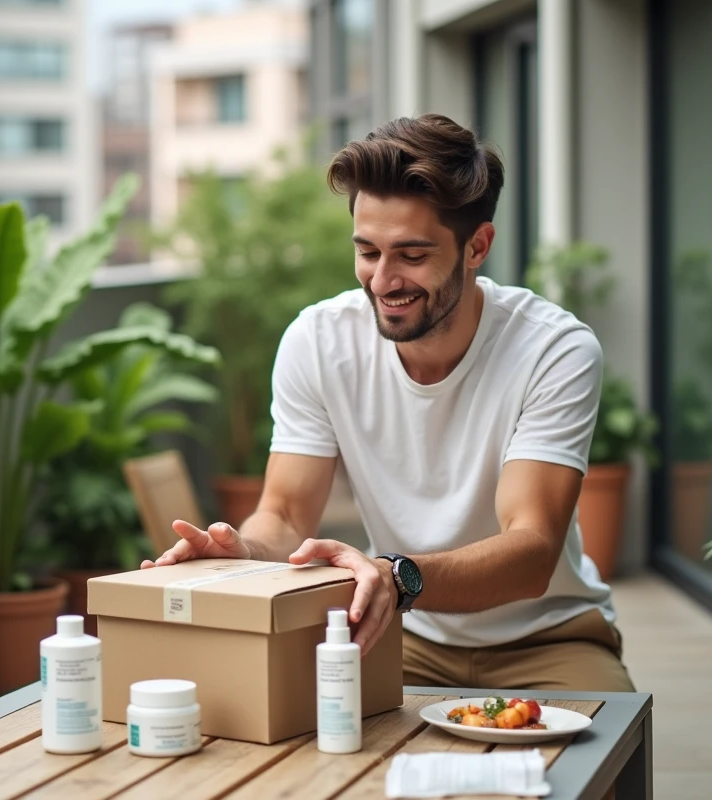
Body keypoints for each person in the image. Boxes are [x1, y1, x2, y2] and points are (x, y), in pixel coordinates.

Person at [141, 113, 634, 693]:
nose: (382, 281)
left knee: (602, 766)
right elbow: (285, 514)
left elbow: (531, 551)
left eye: (412, 255)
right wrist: (243, 550)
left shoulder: (553, 348)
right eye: (368, 251)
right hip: (400, 631)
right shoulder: (319, 341)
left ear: (477, 246)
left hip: (549, 637)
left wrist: (397, 577)